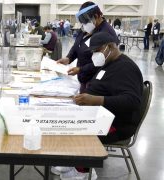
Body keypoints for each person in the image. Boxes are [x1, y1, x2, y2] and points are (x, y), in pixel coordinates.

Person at [53, 31, 143, 180]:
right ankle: (71, 161)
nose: (95, 55)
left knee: (77, 128)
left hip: (116, 124)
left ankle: (83, 171)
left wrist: (97, 100)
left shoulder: (126, 68)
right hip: (100, 115)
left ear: (110, 47)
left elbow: (132, 101)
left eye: (97, 51)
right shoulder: (109, 63)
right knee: (63, 119)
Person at [57, 1, 118, 93]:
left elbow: (102, 61)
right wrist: (68, 58)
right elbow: (77, 45)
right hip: (84, 79)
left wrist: (80, 69)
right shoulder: (87, 28)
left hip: (96, 83)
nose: (84, 24)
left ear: (97, 16)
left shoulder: (106, 33)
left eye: (86, 21)